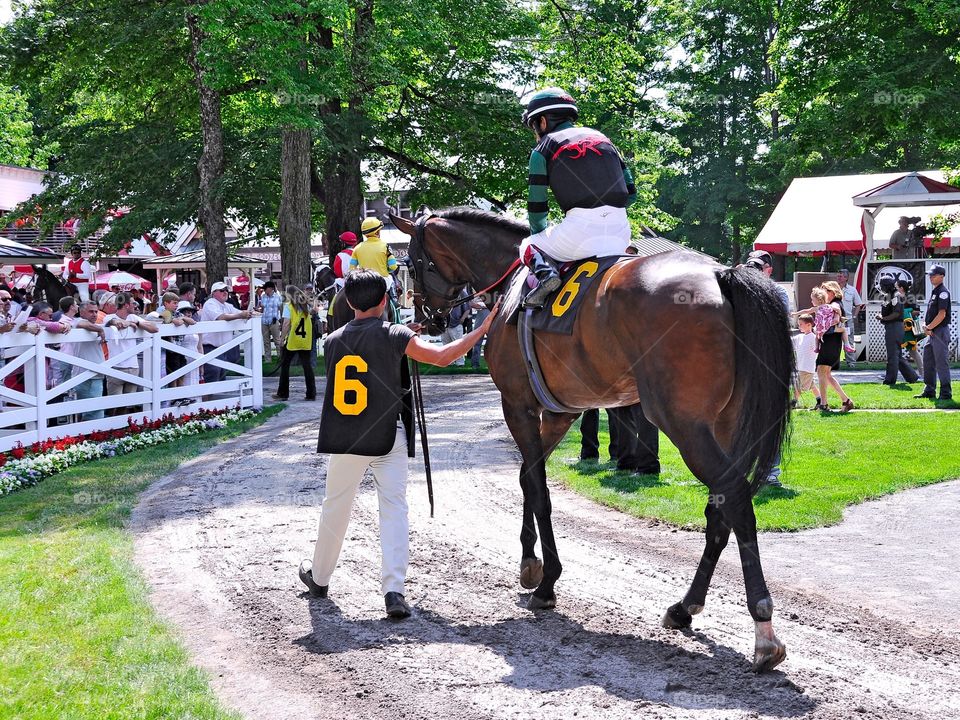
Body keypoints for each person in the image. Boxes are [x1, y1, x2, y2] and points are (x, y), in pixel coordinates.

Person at [299, 270, 500, 618]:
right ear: (383, 302)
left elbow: (367, 351)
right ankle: (394, 590)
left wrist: (402, 340)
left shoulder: (331, 340)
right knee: (393, 510)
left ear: (349, 302)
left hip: (345, 436)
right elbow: (441, 356)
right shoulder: (395, 333)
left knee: (335, 508)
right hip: (387, 435)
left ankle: (319, 577)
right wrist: (481, 330)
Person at [518, 87, 636, 307]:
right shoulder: (604, 139)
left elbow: (537, 210)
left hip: (578, 236)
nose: (535, 133)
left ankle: (547, 276)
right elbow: (631, 194)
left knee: (527, 244)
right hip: (621, 234)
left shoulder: (542, 149)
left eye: (534, 126)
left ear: (543, 122)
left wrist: (541, 234)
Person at [102, 291, 159, 414]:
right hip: (116, 367)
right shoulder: (109, 317)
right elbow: (117, 323)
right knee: (114, 405)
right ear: (126, 305)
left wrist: (137, 323)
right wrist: (128, 323)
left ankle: (124, 430)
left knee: (129, 405)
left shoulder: (134, 317)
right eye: (133, 303)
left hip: (133, 366)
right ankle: (112, 430)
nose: (136, 305)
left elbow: (155, 329)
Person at [200, 281, 253, 385]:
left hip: (223, 348)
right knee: (212, 377)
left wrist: (251, 313)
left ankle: (218, 400)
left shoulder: (227, 305)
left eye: (226, 290)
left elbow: (238, 313)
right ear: (213, 293)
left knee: (221, 377)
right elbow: (220, 317)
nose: (225, 292)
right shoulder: (210, 303)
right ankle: (206, 399)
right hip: (210, 347)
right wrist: (240, 315)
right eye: (221, 290)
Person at [814, 284, 854, 413]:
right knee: (826, 374)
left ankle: (824, 404)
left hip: (832, 342)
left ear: (832, 292)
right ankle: (846, 401)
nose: (822, 292)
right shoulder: (829, 304)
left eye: (824, 290)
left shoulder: (836, 303)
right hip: (830, 342)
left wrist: (823, 307)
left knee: (821, 370)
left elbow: (836, 309)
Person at [272, 285, 317, 402]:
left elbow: (286, 324)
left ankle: (283, 393)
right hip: (305, 339)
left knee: (285, 366)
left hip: (293, 339)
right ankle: (311, 393)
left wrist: (282, 339)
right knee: (307, 366)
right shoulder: (305, 306)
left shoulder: (289, 306)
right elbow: (315, 309)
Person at [915, 264, 952, 400]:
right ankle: (929, 390)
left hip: (940, 332)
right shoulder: (935, 291)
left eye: (934, 275)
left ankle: (945, 393)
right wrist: (926, 325)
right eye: (930, 275)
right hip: (932, 331)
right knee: (928, 361)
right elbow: (931, 313)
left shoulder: (943, 292)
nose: (931, 277)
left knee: (941, 363)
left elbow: (942, 314)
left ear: (941, 276)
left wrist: (929, 327)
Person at [66, 301, 108, 421]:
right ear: (82, 312)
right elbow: (82, 323)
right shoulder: (77, 321)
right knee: (93, 412)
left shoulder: (96, 325)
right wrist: (100, 329)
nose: (95, 314)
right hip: (84, 374)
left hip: (95, 374)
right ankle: (92, 436)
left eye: (96, 311)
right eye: (91, 311)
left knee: (93, 410)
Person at [877, 277, 919, 385]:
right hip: (892, 327)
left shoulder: (896, 296)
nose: (880, 287)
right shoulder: (888, 296)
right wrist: (882, 316)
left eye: (882, 285)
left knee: (892, 355)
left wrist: (883, 318)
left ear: (886, 285)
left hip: (895, 327)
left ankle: (889, 380)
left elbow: (896, 313)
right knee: (897, 356)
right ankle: (912, 377)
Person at [349, 218, 399, 294]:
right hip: (382, 281)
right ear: (377, 232)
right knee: (390, 278)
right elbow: (393, 266)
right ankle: (394, 301)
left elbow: (352, 269)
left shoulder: (357, 248)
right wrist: (385, 270)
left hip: (364, 283)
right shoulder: (385, 246)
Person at [792, 314, 822, 409]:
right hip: (801, 366)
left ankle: (793, 403)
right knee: (812, 385)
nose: (799, 326)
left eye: (801, 324)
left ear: (809, 325)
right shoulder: (800, 337)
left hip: (807, 367)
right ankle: (820, 401)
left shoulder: (813, 338)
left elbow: (817, 350)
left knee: (798, 386)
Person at [835, 269, 864, 366]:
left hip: (847, 320)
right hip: (835, 319)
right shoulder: (833, 289)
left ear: (846, 278)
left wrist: (854, 316)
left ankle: (851, 362)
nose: (838, 277)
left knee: (849, 341)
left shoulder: (852, 290)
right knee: (835, 340)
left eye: (840, 276)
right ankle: (835, 362)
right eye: (838, 275)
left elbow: (858, 304)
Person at [897, 279, 924, 375]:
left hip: (909, 329)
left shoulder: (910, 297)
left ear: (901, 288)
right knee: (895, 352)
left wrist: (905, 312)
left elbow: (917, 311)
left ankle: (922, 373)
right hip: (899, 327)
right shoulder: (896, 298)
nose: (895, 288)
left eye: (897, 286)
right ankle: (892, 374)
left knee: (913, 351)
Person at [257, 281, 283, 362]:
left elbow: (281, 308)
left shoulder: (278, 297)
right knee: (266, 341)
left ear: (271, 288)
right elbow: (262, 308)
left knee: (277, 340)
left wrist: (281, 320)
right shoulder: (263, 296)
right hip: (264, 320)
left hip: (274, 321)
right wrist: (258, 310)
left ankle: (280, 358)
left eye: (266, 288)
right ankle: (268, 359)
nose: (264, 290)